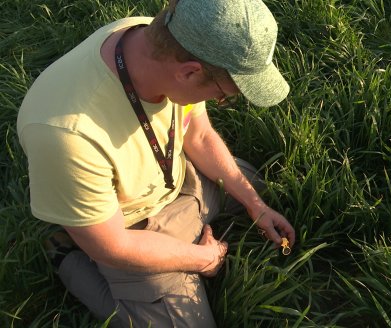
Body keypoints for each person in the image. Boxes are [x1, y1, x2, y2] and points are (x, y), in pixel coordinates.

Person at [17, 0, 295, 326]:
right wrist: (204, 258)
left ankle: (188, 225)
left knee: (255, 184)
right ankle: (68, 253)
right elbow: (114, 246)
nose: (221, 102)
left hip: (173, 177)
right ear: (189, 72)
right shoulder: (67, 136)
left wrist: (255, 204)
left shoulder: (165, 38)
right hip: (128, 226)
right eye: (223, 95)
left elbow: (199, 134)